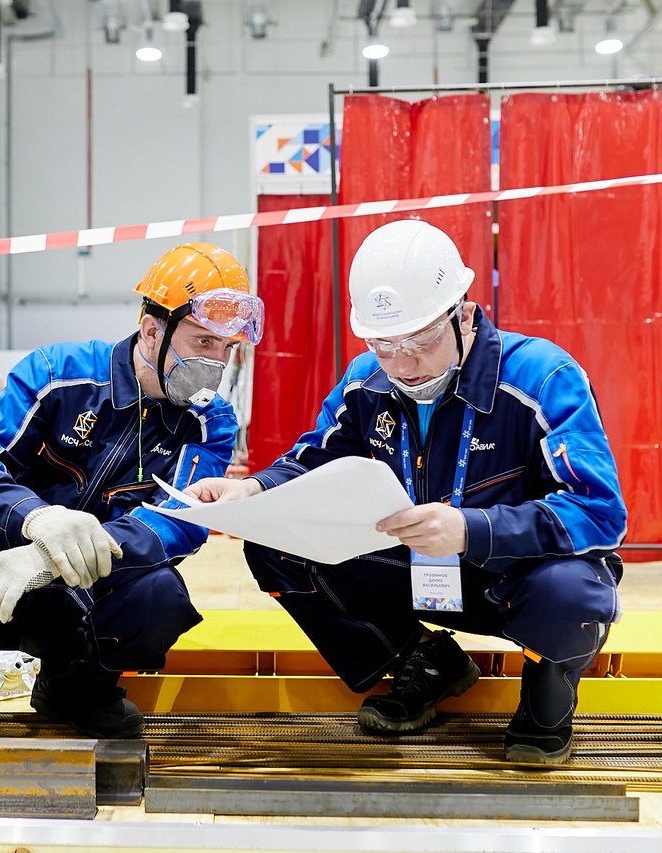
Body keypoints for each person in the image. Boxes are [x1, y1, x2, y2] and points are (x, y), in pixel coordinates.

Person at [186, 220, 626, 765]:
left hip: (514, 578)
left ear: (462, 315)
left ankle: (548, 692)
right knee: (279, 547)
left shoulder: (543, 377)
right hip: (420, 571)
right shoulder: (366, 381)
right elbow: (311, 458)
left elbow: (599, 512)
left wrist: (471, 529)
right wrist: (250, 488)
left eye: (420, 341)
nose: (403, 365)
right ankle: (426, 660)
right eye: (384, 345)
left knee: (573, 594)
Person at [0, 243, 266, 738]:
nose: (218, 364)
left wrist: (53, 557)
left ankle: (74, 690)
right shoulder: (57, 374)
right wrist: (35, 519)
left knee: (159, 596)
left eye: (228, 348)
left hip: (81, 593)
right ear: (153, 331)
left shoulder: (209, 422)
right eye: (203, 344)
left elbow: (178, 521)